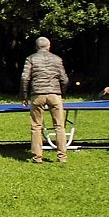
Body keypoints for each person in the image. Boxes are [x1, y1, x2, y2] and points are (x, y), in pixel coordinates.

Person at [20, 36, 70, 164]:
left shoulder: (31, 58)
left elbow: (25, 78)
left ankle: (37, 157)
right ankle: (62, 157)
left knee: (36, 126)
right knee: (59, 126)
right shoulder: (57, 59)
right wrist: (62, 94)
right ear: (49, 46)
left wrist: (24, 96)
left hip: (37, 94)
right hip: (55, 94)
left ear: (36, 47)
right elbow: (64, 79)